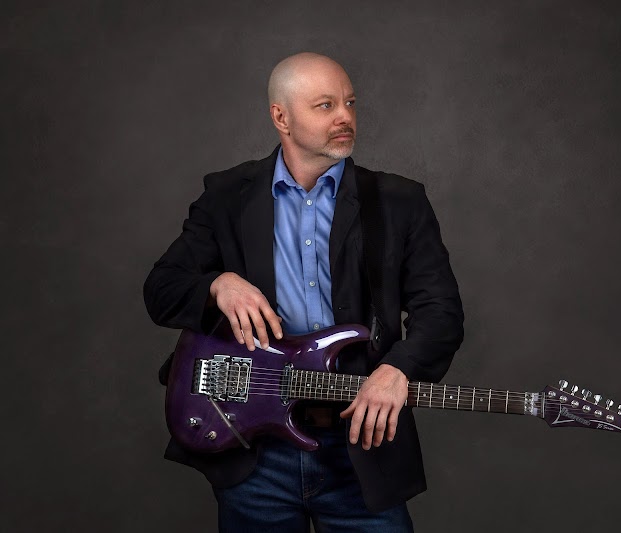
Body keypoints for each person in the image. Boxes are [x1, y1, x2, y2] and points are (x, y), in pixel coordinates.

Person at [143, 52, 464, 532]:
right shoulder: (227, 196)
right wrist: (217, 284)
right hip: (254, 450)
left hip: (361, 449)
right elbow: (161, 290)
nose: (345, 116)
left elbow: (441, 311)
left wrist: (398, 369)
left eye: (350, 102)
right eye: (325, 105)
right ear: (281, 117)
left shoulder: (399, 201)